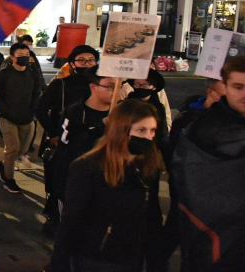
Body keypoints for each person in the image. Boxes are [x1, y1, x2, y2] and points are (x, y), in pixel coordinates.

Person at [50, 99, 165, 272]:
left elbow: (152, 218)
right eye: (141, 130)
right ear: (121, 130)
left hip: (133, 257)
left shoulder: (148, 167)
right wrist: (59, 264)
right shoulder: (88, 167)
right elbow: (71, 221)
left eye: (152, 130)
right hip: (96, 258)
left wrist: (157, 261)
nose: (148, 137)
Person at [171, 57, 245, 271]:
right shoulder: (203, 128)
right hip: (219, 236)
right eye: (238, 87)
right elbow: (193, 185)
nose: (243, 94)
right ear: (225, 86)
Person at [34, 44, 98, 231]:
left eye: (91, 60)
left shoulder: (100, 85)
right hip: (62, 142)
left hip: (90, 143)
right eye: (81, 60)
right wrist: (53, 133)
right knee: (59, 182)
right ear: (72, 63)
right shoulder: (60, 84)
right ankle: (55, 218)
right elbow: (40, 110)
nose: (87, 64)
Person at [52, 68, 116, 222]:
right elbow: (68, 145)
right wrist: (99, 129)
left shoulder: (120, 113)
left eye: (118, 86)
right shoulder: (76, 111)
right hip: (76, 179)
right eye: (109, 86)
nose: (115, 91)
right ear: (93, 87)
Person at [0, 42, 41, 194]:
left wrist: (32, 111)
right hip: (7, 117)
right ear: (12, 57)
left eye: (27, 55)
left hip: (27, 117)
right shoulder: (2, 75)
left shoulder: (33, 73)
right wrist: (7, 112)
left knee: (22, 149)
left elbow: (36, 93)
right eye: (21, 56)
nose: (25, 58)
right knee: (12, 149)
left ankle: (3, 164)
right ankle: (8, 179)